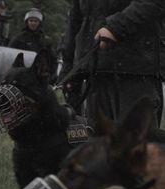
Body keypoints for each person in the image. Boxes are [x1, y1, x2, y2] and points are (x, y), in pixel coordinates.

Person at [60, 0, 164, 128]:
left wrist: (116, 27)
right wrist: (68, 69)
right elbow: (75, 22)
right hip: (95, 73)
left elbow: (152, 3)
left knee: (136, 141)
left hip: (135, 73)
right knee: (98, 142)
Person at [8, 8, 58, 85]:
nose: (33, 23)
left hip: (39, 77)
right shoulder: (18, 38)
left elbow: (53, 59)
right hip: (21, 76)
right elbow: (9, 56)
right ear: (27, 22)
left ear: (39, 23)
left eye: (35, 21)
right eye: (31, 21)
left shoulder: (45, 40)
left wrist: (51, 76)